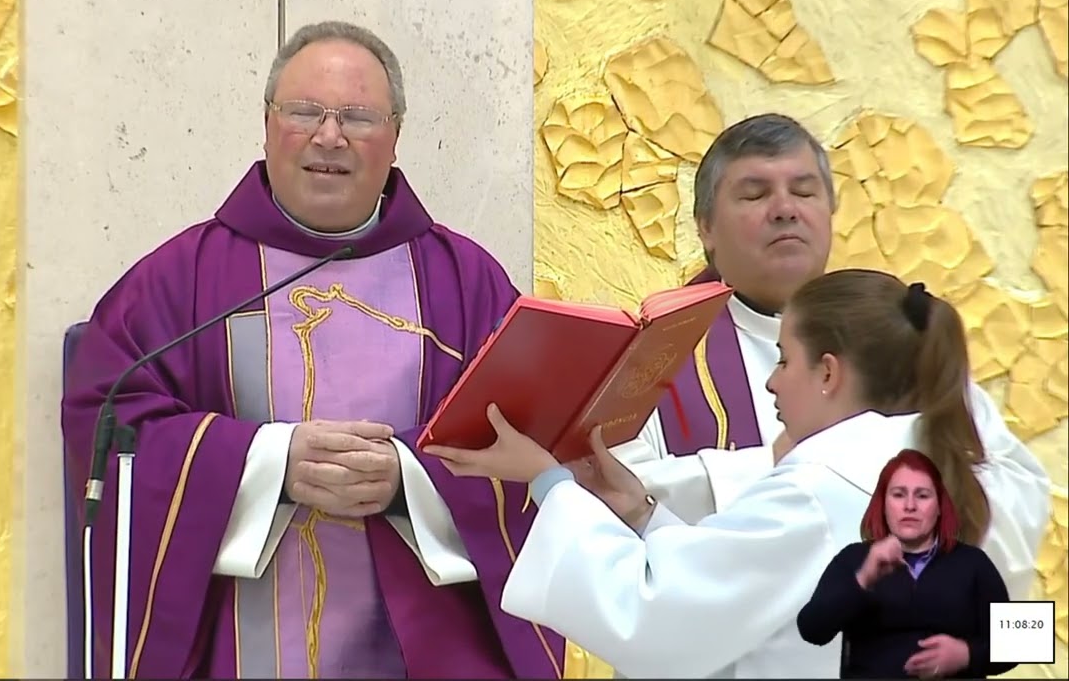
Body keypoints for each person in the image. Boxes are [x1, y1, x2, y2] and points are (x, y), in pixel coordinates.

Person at [62, 21, 570, 679]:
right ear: (268, 125)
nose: (329, 137)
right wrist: (268, 462)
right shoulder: (181, 279)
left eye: (358, 117)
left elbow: (537, 436)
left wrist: (406, 478)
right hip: (235, 642)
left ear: (395, 138)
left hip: (432, 644)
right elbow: (108, 424)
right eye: (305, 112)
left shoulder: (466, 283)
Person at [425, 269, 1035, 678]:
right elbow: (1025, 634)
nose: (772, 381)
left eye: (784, 359)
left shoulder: (825, 488)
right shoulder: (950, 466)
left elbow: (656, 617)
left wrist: (548, 482)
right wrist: (642, 513)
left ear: (828, 373)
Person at [611, 113, 1049, 602]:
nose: (785, 210)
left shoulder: (899, 333)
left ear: (831, 209)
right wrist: (812, 478)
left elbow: (1011, 488)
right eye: (755, 194)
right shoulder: (649, 356)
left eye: (804, 191)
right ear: (705, 228)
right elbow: (618, 497)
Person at [797, 449, 1016, 679]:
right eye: (899, 494)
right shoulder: (854, 558)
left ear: (940, 506)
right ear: (883, 503)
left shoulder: (974, 563)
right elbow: (811, 630)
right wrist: (863, 579)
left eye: (922, 495)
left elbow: (1026, 641)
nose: (910, 506)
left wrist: (967, 654)